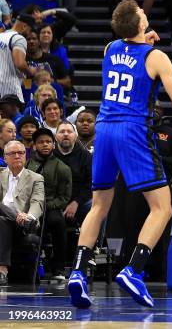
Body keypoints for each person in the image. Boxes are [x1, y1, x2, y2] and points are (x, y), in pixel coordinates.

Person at [68, 0, 172, 309]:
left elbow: (131, 52)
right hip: (132, 130)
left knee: (99, 206)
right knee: (162, 208)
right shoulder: (157, 58)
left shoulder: (110, 48)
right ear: (141, 25)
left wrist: (144, 40)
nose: (145, 12)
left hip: (103, 129)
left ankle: (78, 271)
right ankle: (134, 269)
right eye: (142, 13)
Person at [26, 127, 72, 281]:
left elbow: (64, 197)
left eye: (48, 142)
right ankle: (28, 265)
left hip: (50, 208)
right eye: (41, 142)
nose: (45, 145)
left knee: (58, 222)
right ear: (34, 145)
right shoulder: (27, 165)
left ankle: (58, 268)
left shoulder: (62, 168)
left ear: (53, 144)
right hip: (29, 208)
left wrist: (47, 206)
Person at [0, 140, 44, 285]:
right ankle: (2, 269)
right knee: (2, 219)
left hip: (23, 225)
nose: (18, 156)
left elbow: (38, 202)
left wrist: (29, 216)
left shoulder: (35, 178)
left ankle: (2, 270)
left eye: (21, 153)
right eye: (13, 153)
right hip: (4, 222)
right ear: (5, 157)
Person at [54, 122, 92, 225]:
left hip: (81, 201)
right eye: (62, 132)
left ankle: (96, 241)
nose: (66, 134)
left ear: (75, 136)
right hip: (54, 202)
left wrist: (76, 202)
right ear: (56, 136)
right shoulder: (49, 156)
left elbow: (90, 183)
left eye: (69, 132)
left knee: (97, 206)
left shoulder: (86, 156)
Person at [0, 13, 37, 102]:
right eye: (29, 29)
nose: (29, 33)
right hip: (9, 90)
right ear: (24, 26)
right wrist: (30, 71)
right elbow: (19, 63)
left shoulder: (1, 36)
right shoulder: (18, 38)